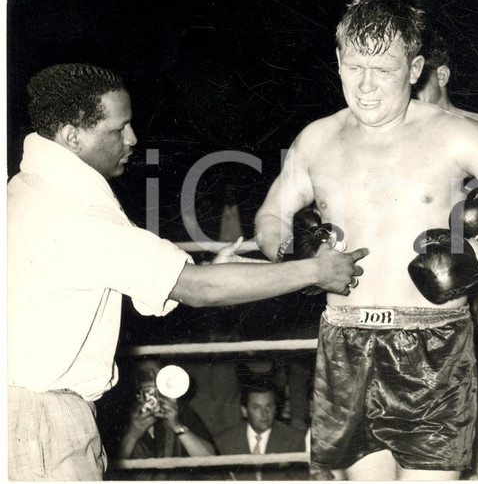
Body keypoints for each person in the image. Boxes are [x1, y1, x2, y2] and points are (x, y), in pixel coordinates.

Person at [7, 63, 368, 481]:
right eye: (118, 129)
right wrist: (316, 271)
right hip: (41, 425)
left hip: (32, 415)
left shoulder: (28, 190)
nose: (132, 139)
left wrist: (205, 271)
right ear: (72, 137)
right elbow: (196, 289)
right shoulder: (74, 212)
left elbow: (165, 282)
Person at [254, 0, 478, 480]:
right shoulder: (315, 140)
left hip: (433, 345)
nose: (366, 86)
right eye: (354, 67)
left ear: (416, 68)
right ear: (337, 60)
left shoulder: (459, 135)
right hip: (345, 342)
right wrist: (297, 254)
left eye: (384, 70)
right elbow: (270, 217)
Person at [413, 27, 478, 480]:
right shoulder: (399, 139)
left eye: (421, 80)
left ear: (443, 74)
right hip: (418, 277)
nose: (412, 89)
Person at [117, 358, 215, 480]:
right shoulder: (121, 415)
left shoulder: (181, 411)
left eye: (159, 377)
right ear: (135, 381)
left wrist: (177, 426)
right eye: (147, 376)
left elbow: (210, 460)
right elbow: (110, 469)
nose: (154, 383)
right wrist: (132, 435)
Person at [214, 378, 308, 480]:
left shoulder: (295, 439)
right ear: (244, 411)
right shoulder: (223, 442)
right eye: (257, 407)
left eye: (269, 406)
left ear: (276, 408)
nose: (264, 414)